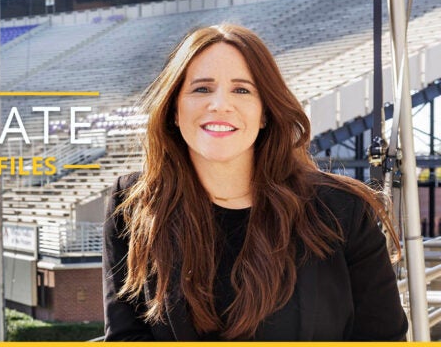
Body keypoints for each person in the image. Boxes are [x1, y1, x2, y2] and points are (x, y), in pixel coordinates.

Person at [102, 23, 408, 341]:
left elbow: (384, 335)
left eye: (242, 90)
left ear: (264, 113)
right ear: (174, 110)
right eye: (201, 89)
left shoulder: (341, 210)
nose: (220, 104)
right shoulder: (133, 204)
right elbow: (127, 335)